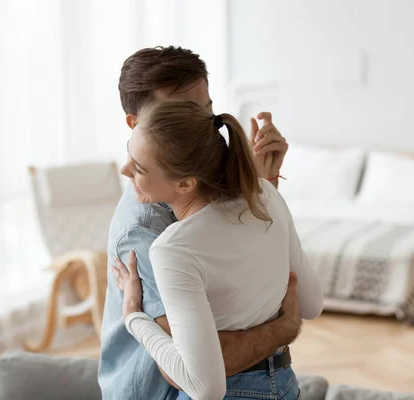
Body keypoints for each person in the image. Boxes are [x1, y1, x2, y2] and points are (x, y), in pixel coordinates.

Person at [98, 46, 298, 400]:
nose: (201, 130)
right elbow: (208, 364)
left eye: (205, 112)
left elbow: (249, 294)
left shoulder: (213, 190)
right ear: (136, 124)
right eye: (179, 112)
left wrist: (264, 188)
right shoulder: (143, 231)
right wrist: (285, 326)